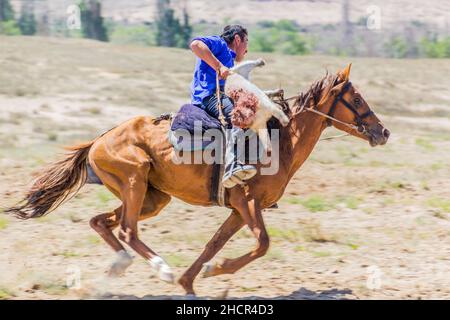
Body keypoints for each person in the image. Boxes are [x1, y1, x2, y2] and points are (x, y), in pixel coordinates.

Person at [189, 25, 256, 188]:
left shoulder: (230, 59)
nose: (247, 50)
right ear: (237, 39)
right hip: (208, 97)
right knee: (239, 115)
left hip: (219, 96)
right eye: (246, 42)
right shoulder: (219, 44)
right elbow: (195, 45)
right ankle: (232, 166)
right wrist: (219, 66)